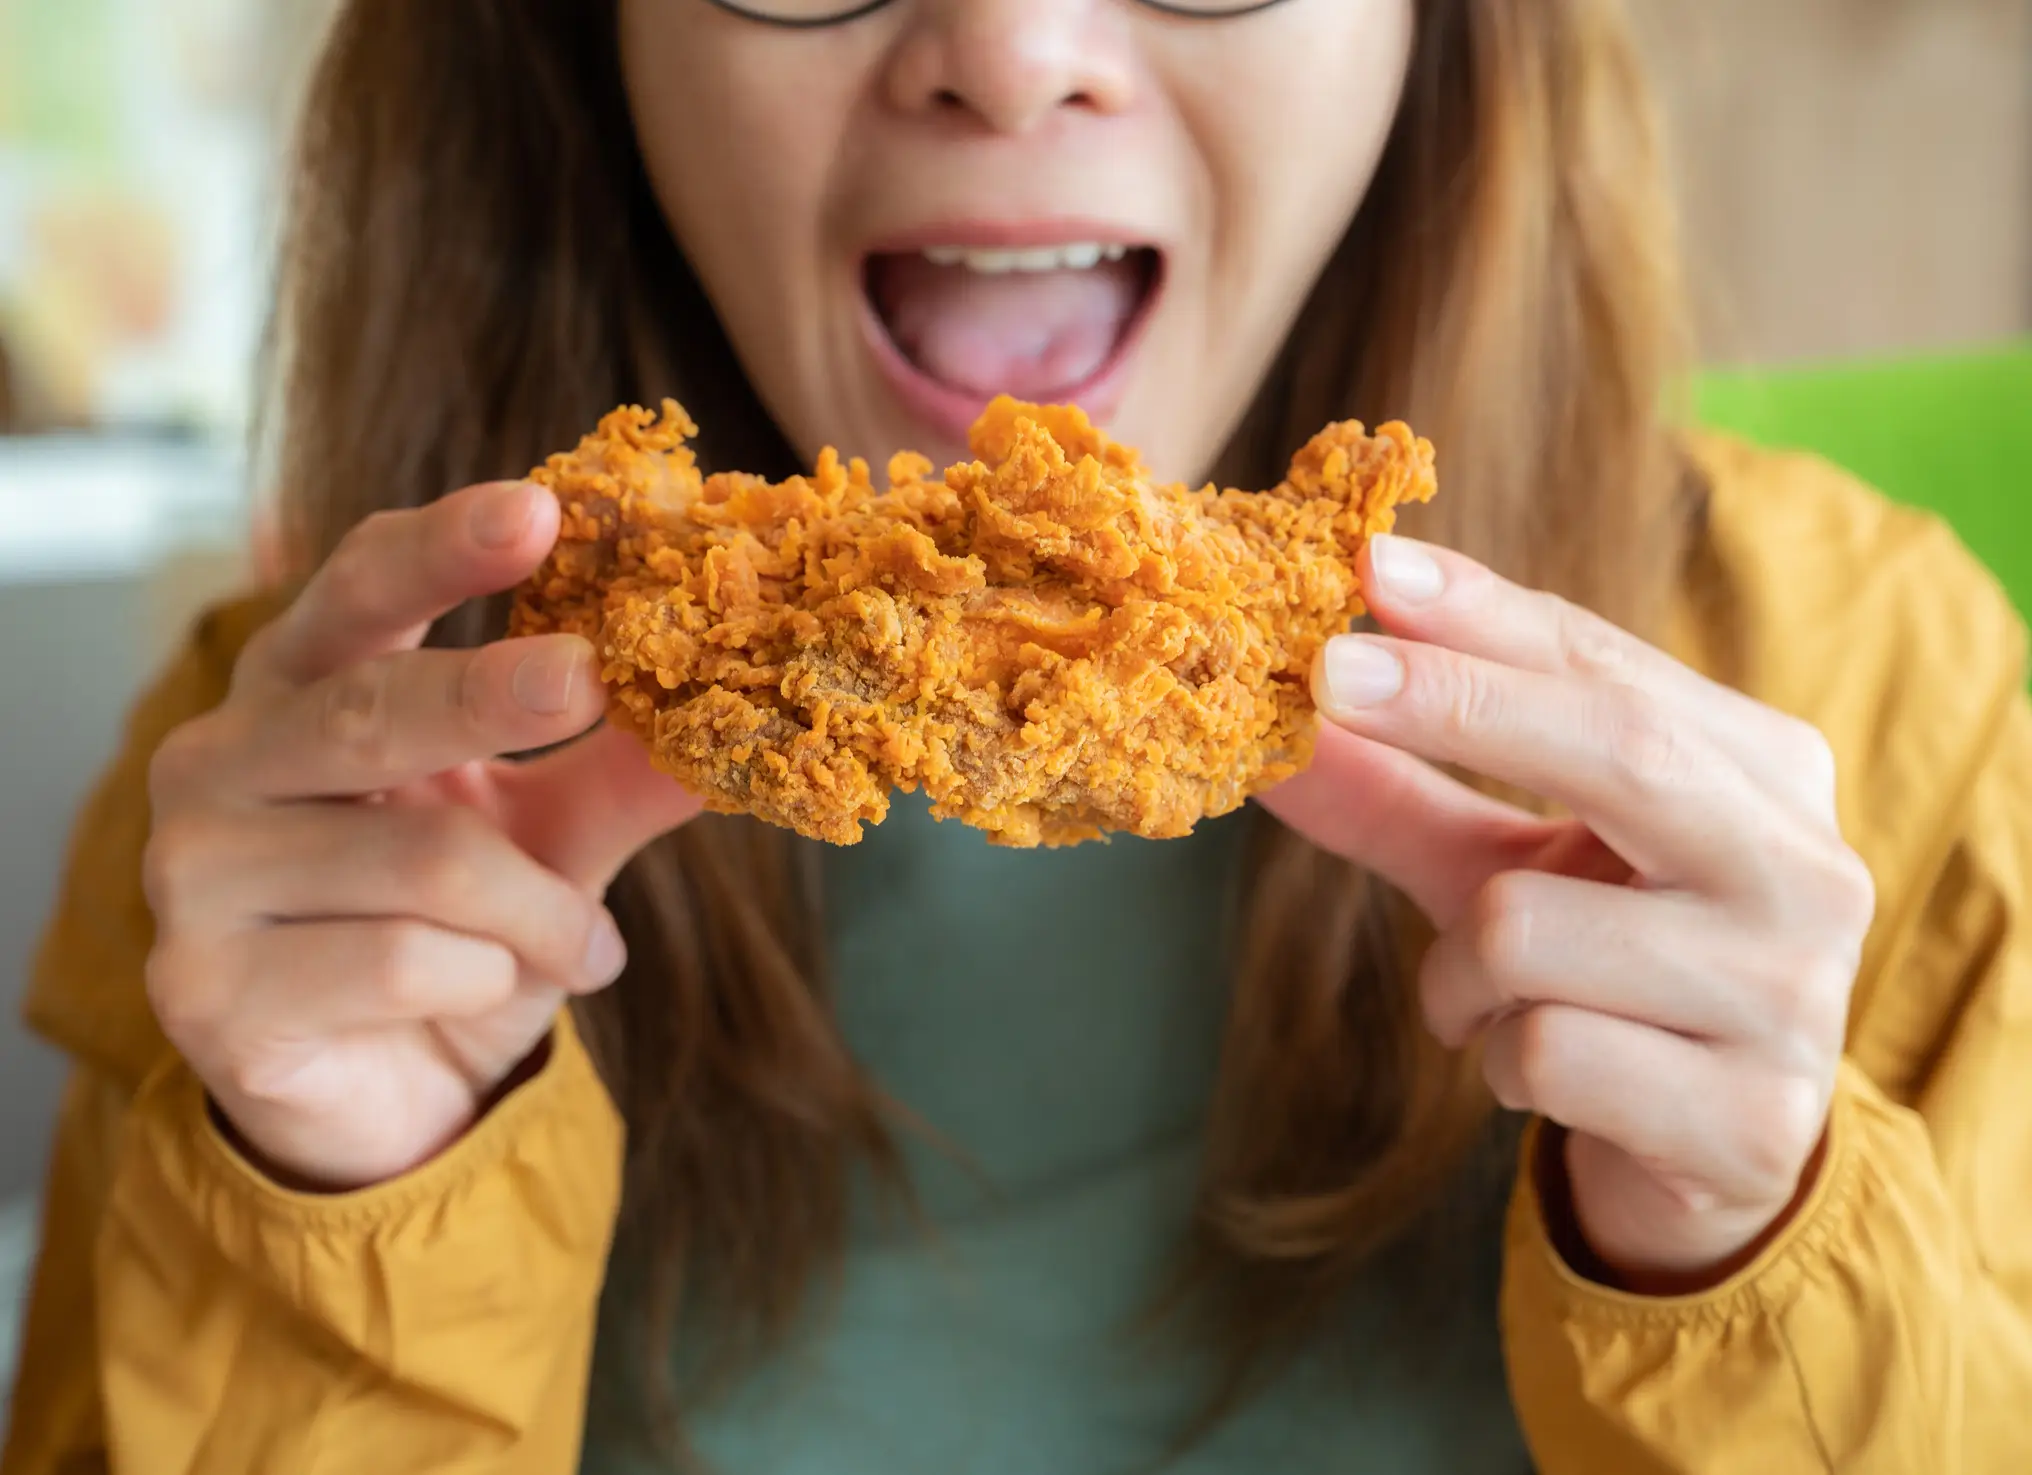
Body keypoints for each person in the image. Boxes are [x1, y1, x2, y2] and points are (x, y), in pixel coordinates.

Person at [6, 1, 2029, 1471]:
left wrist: (1756, 1260)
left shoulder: (1873, 704)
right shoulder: (282, 794)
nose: (1011, 43)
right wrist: (338, 1220)